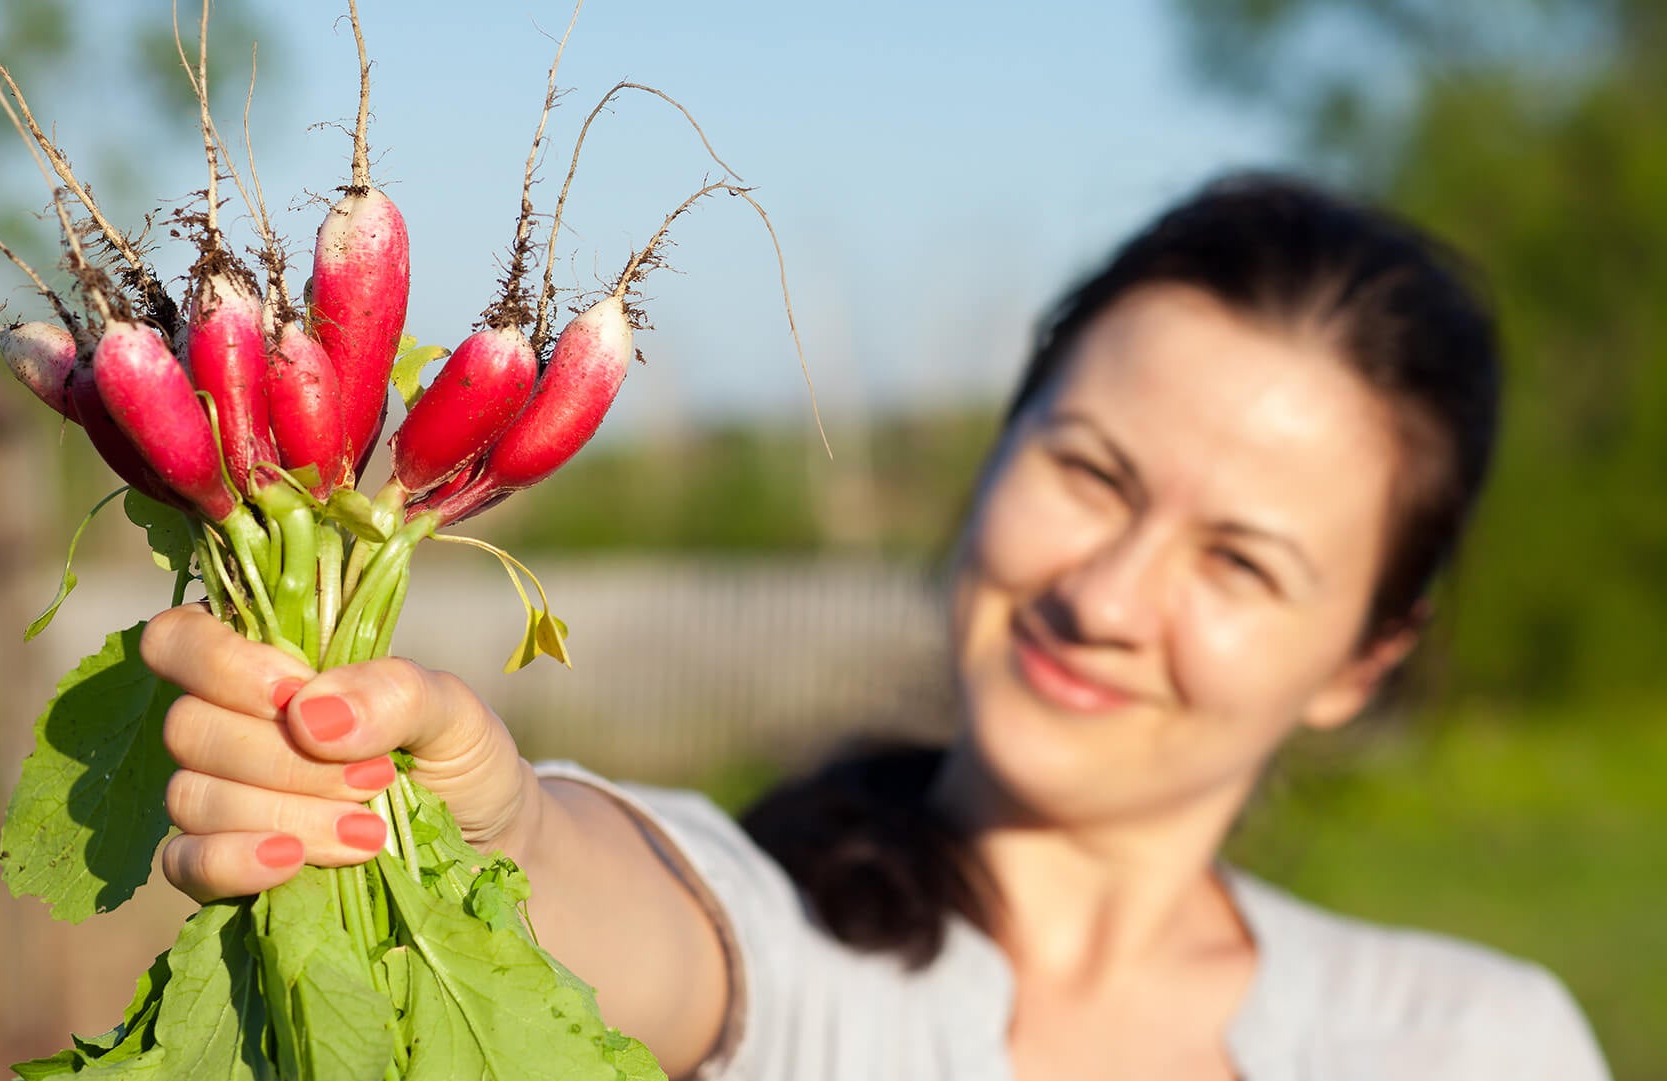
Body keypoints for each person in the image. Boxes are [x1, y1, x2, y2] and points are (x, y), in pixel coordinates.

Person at [138, 174, 1613, 1079]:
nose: (1106, 597)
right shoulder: (793, 957)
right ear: (996, 448)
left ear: (1366, 657)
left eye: (1240, 561)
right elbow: (632, 912)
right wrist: (489, 826)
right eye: (1089, 471)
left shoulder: (1478, 1044)